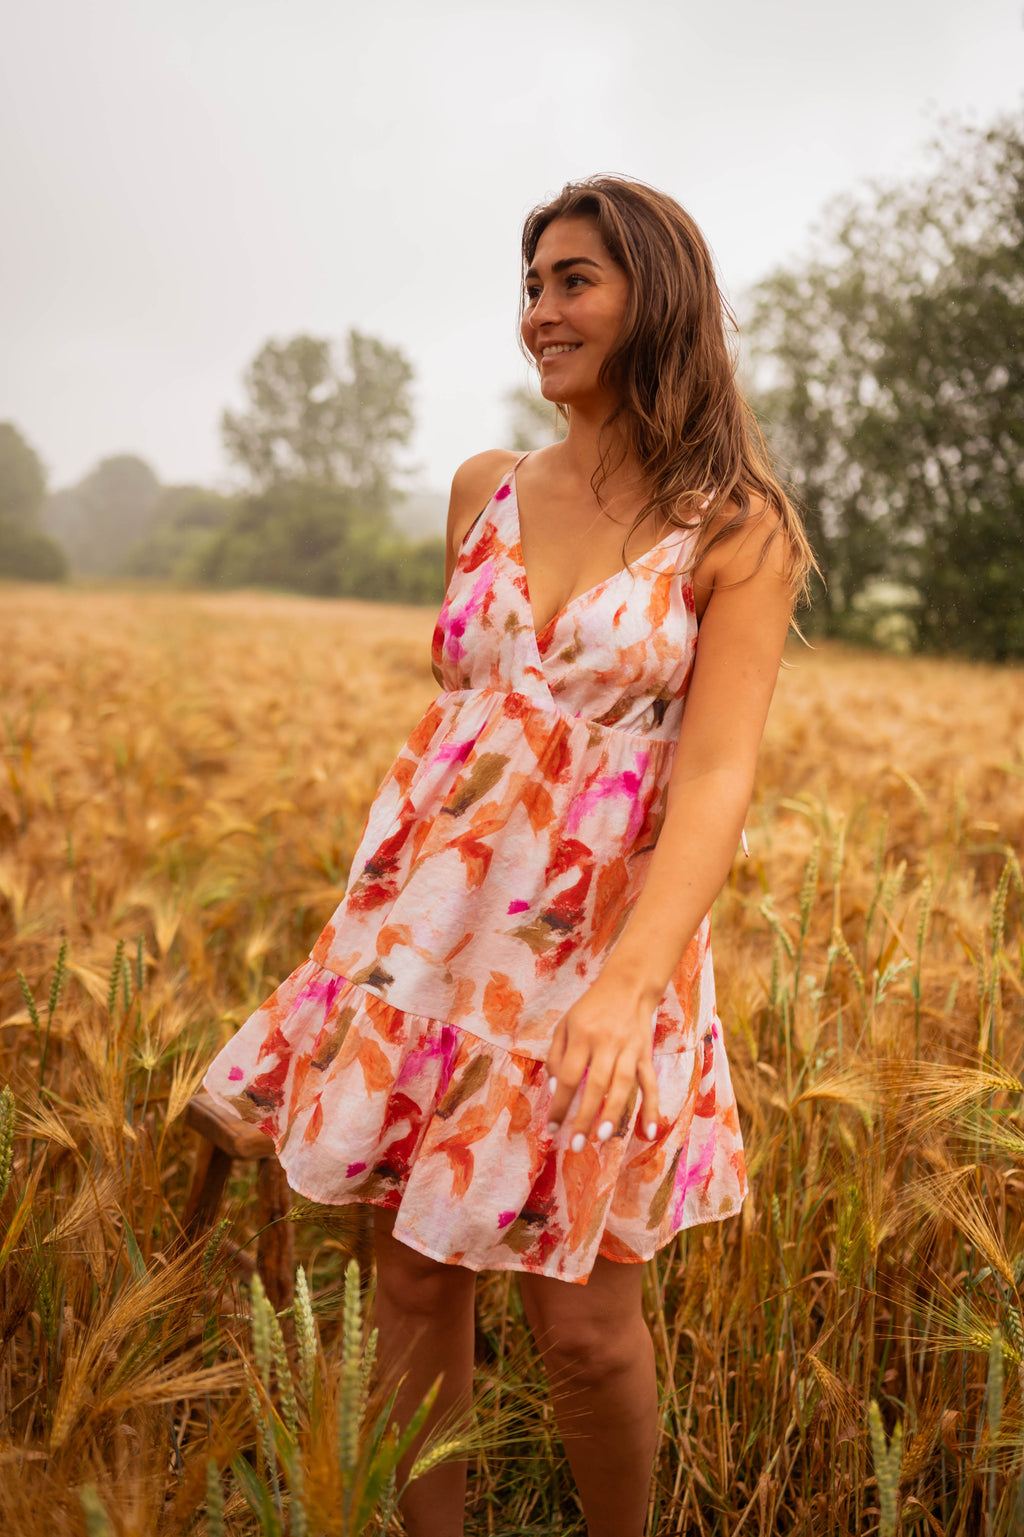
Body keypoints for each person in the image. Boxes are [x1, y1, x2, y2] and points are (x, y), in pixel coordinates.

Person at [203, 174, 814, 1536]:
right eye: (533, 284)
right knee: (415, 1285)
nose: (542, 309)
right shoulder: (484, 488)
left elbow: (715, 775)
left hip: (595, 957)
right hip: (427, 947)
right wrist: (338, 970)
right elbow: (461, 748)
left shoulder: (735, 527)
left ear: (658, 292)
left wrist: (628, 983)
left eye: (575, 279)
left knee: (586, 1322)